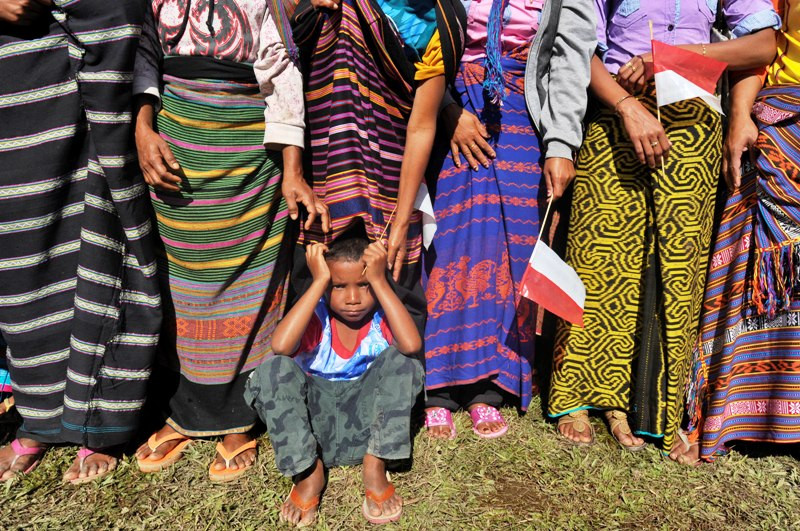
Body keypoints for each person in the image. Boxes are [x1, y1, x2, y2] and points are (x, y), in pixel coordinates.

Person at [548, 0, 780, 453]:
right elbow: (581, 45)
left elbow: (763, 44)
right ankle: (583, 390)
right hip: (617, 113)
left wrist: (677, 58)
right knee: (600, 255)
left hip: (694, 122)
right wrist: (626, 105)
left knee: (676, 263)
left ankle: (649, 401)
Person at [132, 0, 328, 482]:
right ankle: (186, 410)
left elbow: (282, 74)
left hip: (249, 155)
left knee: (251, 284)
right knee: (185, 286)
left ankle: (241, 418)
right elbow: (142, 57)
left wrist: (293, 172)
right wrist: (142, 128)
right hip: (176, 147)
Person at [0, 0, 161, 483]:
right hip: (11, 80)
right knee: (17, 254)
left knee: (97, 236)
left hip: (84, 73)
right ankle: (38, 415)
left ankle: (102, 420)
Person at [422, 0, 595, 439]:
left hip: (521, 116)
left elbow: (570, 55)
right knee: (450, 241)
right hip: (449, 107)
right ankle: (438, 386)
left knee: (510, 251)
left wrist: (560, 143)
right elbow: (417, 32)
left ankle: (489, 386)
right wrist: (446, 109)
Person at [287, 0, 465, 328]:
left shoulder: (440, 20)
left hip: (393, 170)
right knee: (318, 275)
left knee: (394, 274)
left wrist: (399, 219)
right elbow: (288, 38)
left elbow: (422, 125)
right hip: (327, 166)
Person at [677, 0, 800, 466]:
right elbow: (762, 45)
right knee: (747, 270)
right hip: (783, 122)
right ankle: (729, 417)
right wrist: (739, 116)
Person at [245, 238, 423, 526]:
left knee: (405, 362)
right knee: (274, 369)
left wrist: (379, 279)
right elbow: (281, 346)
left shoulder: (383, 319)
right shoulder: (317, 319)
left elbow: (412, 345)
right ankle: (307, 473)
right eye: (339, 286)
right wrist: (318, 282)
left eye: (363, 285)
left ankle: (375, 465)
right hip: (314, 429)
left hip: (367, 428)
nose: (353, 298)